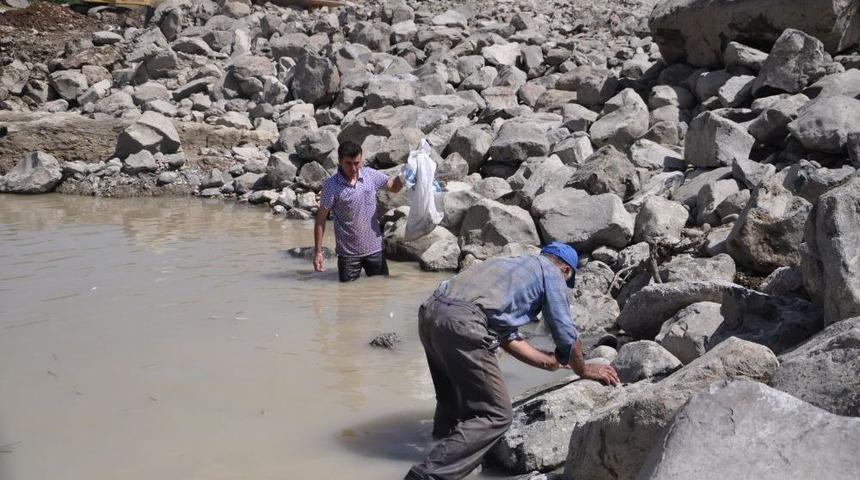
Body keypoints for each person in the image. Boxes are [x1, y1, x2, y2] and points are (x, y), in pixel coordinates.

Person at [405, 242, 620, 480]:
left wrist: (548, 363)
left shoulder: (509, 265)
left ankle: (440, 448)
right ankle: (427, 475)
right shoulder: (552, 273)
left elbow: (507, 337)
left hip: (430, 312)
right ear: (566, 271)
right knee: (496, 414)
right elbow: (566, 334)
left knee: (451, 399)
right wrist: (584, 369)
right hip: (462, 324)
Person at [313, 140, 404, 282]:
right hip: (348, 255)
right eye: (349, 163)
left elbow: (394, 187)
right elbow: (320, 220)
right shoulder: (331, 186)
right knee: (347, 298)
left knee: (380, 292)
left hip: (375, 249)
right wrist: (318, 252)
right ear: (340, 161)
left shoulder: (370, 175)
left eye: (357, 163)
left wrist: (407, 173)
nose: (354, 168)